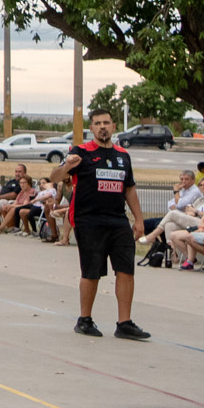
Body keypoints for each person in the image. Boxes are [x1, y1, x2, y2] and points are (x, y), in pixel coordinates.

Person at [58, 108, 148, 339]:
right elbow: (54, 177)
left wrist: (138, 219)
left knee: (126, 270)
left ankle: (124, 323)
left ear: (114, 126)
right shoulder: (81, 152)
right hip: (89, 220)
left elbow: (129, 189)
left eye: (106, 122)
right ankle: (84, 320)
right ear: (92, 128)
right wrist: (67, 165)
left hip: (117, 221)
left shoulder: (122, 155)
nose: (102, 127)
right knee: (92, 272)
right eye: (97, 123)